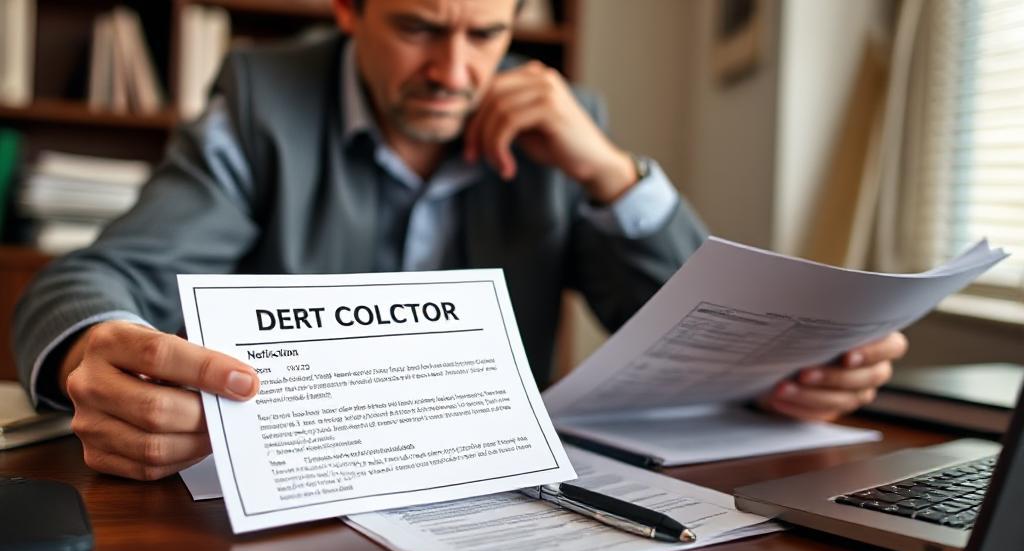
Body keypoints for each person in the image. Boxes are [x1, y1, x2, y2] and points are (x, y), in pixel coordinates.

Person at [13, 0, 907, 481]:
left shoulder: (561, 124)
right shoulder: (261, 102)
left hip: (506, 497)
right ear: (349, 9)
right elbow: (99, 275)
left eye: (487, 32)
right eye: (419, 28)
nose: (456, 72)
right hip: (304, 494)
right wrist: (84, 352)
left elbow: (674, 324)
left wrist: (611, 174)